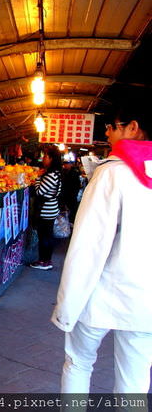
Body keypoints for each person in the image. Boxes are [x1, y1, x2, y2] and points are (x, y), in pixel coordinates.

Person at [51, 107, 152, 395]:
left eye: (111, 125)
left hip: (100, 296)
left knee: (79, 363)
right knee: (134, 382)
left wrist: (66, 307)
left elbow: (87, 247)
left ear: (133, 127)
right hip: (147, 303)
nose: (106, 132)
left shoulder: (111, 173)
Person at [30, 145, 63, 270]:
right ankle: (45, 260)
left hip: (46, 210)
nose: (43, 158)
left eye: (45, 156)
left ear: (51, 158)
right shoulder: (56, 173)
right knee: (46, 236)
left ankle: (44, 261)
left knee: (45, 236)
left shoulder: (51, 175)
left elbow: (39, 192)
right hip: (51, 209)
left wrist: (38, 177)